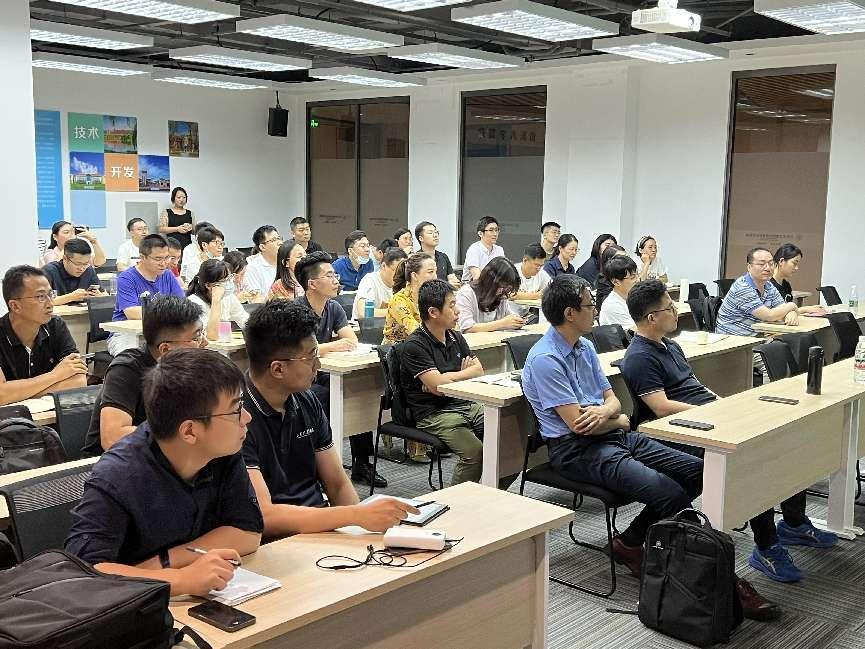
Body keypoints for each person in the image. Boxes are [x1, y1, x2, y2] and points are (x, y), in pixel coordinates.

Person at [621, 279, 836, 592]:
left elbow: (695, 387)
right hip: (676, 431)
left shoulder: (670, 345)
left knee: (781, 439)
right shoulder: (639, 356)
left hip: (706, 417)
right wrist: (714, 411)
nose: (676, 310)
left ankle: (794, 523)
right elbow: (662, 407)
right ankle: (766, 547)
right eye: (669, 307)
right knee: (750, 459)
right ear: (651, 317)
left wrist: (724, 404)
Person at [522, 275, 703, 579]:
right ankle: (704, 567)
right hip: (576, 451)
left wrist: (610, 415)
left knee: (699, 471)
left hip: (614, 437)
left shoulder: (585, 347)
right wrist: (617, 419)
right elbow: (581, 427)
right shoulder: (546, 359)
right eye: (589, 305)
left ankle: (629, 542)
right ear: (570, 313)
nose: (595, 310)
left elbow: (614, 401)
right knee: (670, 493)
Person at [65, 348, 263, 596]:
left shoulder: (222, 451)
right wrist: (179, 579)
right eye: (236, 410)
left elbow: (248, 533)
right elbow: (85, 574)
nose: (247, 417)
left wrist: (167, 561)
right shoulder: (118, 476)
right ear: (189, 431)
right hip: (133, 608)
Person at [242, 301, 418, 535]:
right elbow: (265, 516)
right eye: (311, 357)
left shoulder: (306, 400)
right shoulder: (237, 417)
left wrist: (361, 531)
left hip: (322, 527)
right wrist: (355, 516)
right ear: (278, 369)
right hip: (273, 540)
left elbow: (337, 484)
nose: (318, 364)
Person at [294, 252, 386, 488]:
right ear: (312, 284)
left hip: (325, 371)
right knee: (325, 396)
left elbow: (350, 340)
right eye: (329, 276)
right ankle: (319, 465)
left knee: (357, 391)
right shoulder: (297, 310)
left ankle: (362, 463)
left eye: (335, 275)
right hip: (300, 378)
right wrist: (330, 346)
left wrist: (324, 348)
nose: (336, 280)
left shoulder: (333, 307)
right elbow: (302, 350)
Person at [83, 295, 206, 456]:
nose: (204, 343)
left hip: (166, 457)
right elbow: (112, 438)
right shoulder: (126, 369)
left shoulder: (190, 367)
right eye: (196, 338)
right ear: (165, 349)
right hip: (113, 462)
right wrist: (180, 433)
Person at [400, 279, 486, 484]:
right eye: (452, 305)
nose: (457, 311)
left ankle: (491, 492)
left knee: (507, 436)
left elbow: (479, 370)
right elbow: (439, 388)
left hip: (465, 404)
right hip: (434, 413)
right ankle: (456, 502)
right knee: (475, 453)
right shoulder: (415, 345)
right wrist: (457, 376)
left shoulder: (455, 337)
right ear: (433, 312)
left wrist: (444, 380)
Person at [0, 265, 87, 406]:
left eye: (51, 294)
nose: (50, 303)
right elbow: (1, 395)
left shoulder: (56, 325)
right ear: (15, 306)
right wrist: (55, 375)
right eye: (40, 296)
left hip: (49, 415)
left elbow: (79, 381)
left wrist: (16, 394)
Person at [109, 234, 185, 356]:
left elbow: (182, 305)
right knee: (132, 358)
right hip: (127, 334)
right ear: (142, 257)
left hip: (161, 333)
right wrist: (169, 312)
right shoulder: (127, 278)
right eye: (158, 259)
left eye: (166, 258)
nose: (164, 263)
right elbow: (132, 313)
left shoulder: (167, 274)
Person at [716, 247, 800, 337]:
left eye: (771, 263)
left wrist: (791, 312)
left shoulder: (768, 285)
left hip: (756, 336)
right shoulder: (742, 287)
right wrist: (792, 306)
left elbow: (782, 307)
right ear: (749, 267)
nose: (768, 268)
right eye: (761, 264)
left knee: (794, 340)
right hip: (734, 339)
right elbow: (769, 316)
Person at [456, 257, 524, 333]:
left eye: (508, 289)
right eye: (503, 287)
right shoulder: (466, 294)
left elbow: (508, 316)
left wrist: (516, 321)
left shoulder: (500, 296)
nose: (504, 293)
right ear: (491, 281)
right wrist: (502, 324)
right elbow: (467, 328)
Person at [187, 259, 249, 341]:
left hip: (225, 346)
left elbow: (245, 321)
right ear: (208, 285)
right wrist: (216, 300)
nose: (230, 283)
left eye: (230, 277)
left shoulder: (228, 297)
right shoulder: (193, 303)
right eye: (224, 280)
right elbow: (211, 336)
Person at [383, 252, 437, 345]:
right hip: (397, 349)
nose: (435, 277)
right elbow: (415, 331)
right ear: (414, 275)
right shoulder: (398, 300)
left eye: (436, 272)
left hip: (425, 346)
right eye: (430, 272)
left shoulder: (433, 298)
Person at [42, 237, 105, 305]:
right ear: (65, 258)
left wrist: (100, 297)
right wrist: (71, 297)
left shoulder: (89, 270)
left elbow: (104, 294)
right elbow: (42, 300)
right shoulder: (49, 271)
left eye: (86, 263)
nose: (82, 268)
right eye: (78, 264)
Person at [771, 244, 825, 315]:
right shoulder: (768, 285)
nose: (796, 268)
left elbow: (789, 311)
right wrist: (805, 309)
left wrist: (808, 309)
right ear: (781, 261)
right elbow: (773, 314)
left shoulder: (786, 285)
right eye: (794, 263)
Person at [353, 247, 406, 320]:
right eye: (397, 271)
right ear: (383, 266)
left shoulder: (404, 283)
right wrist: (395, 312)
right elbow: (363, 312)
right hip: (364, 326)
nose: (400, 276)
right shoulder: (369, 280)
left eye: (403, 272)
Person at [40, 220, 106, 268]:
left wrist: (94, 242)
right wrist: (69, 244)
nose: (71, 235)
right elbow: (55, 266)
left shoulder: (80, 251)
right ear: (55, 237)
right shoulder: (50, 253)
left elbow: (100, 262)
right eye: (66, 232)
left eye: (73, 232)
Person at [509, 243, 551, 318]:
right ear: (525, 260)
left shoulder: (541, 273)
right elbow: (511, 294)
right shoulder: (512, 272)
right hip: (509, 315)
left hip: (525, 316)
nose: (538, 268)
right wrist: (537, 295)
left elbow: (552, 287)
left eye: (541, 265)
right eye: (536, 265)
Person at [598, 255, 638, 329]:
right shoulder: (612, 305)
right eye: (632, 277)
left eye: (637, 275)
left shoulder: (633, 296)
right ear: (616, 282)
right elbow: (636, 331)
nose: (637, 280)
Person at [415, 221, 460, 288]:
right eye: (430, 233)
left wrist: (454, 281)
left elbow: (452, 277)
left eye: (436, 232)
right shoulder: (416, 259)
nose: (435, 235)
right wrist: (447, 284)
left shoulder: (443, 257)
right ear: (421, 238)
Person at [462, 216, 504, 282]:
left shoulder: (499, 250)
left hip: (493, 285)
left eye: (496, 230)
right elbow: (477, 277)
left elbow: (502, 273)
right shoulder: (474, 249)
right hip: (472, 285)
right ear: (480, 234)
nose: (495, 234)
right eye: (491, 230)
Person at [245, 225, 283, 296]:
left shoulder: (286, 261)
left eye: (279, 238)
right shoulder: (253, 268)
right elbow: (256, 299)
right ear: (262, 247)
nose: (280, 242)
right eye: (274, 240)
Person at [595, 244, 628, 310]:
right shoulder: (603, 279)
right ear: (610, 261)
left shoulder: (626, 275)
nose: (626, 261)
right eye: (620, 258)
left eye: (626, 258)